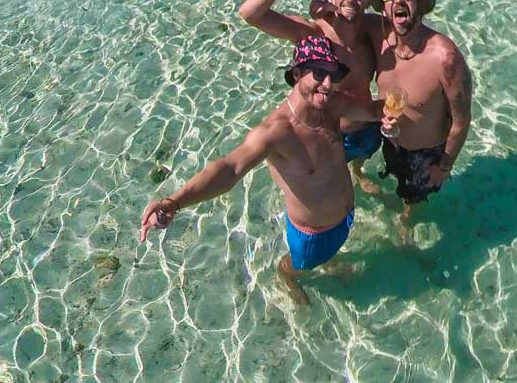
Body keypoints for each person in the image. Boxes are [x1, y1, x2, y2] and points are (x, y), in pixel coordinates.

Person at [140, 36, 398, 305]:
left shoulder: (333, 104)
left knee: (328, 254)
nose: (327, 84)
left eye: (332, 75)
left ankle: (327, 261)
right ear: (297, 73)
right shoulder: (275, 132)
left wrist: (390, 113)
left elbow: (370, 109)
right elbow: (229, 169)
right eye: (319, 73)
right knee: (297, 266)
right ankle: (286, 278)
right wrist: (174, 202)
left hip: (344, 216)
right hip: (314, 234)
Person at [238, 0, 386, 194]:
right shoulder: (313, 35)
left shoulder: (373, 35)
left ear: (367, 1)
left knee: (361, 158)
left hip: (367, 127)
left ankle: (358, 172)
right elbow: (249, 14)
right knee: (330, 190)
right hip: (330, 136)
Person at [365, 0, 473, 240]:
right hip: (392, 142)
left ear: (420, 5)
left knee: (414, 197)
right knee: (395, 175)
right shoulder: (379, 40)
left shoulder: (445, 58)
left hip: (426, 154)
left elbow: (461, 121)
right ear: (385, 9)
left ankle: (407, 219)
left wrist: (444, 167)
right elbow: (343, 18)